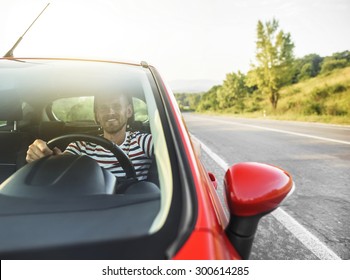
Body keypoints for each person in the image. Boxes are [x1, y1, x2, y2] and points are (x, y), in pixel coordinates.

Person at [26, 92, 153, 181]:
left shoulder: (142, 141)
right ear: (97, 116)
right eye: (103, 108)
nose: (110, 113)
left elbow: (169, 149)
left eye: (116, 106)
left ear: (129, 111)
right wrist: (42, 156)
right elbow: (64, 162)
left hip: (132, 209)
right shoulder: (81, 145)